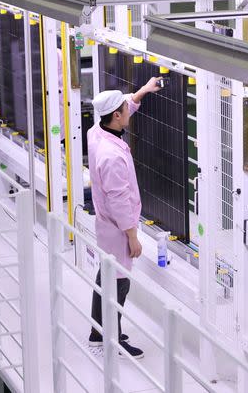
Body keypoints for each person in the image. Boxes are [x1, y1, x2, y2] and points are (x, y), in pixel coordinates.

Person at [87, 77, 162, 359]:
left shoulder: (97, 132)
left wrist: (142, 91)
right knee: (118, 283)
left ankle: (100, 332)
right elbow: (119, 202)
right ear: (116, 116)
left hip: (107, 225)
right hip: (118, 228)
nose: (128, 110)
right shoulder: (111, 156)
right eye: (124, 109)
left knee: (106, 276)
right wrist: (133, 236)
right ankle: (109, 341)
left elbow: (125, 105)